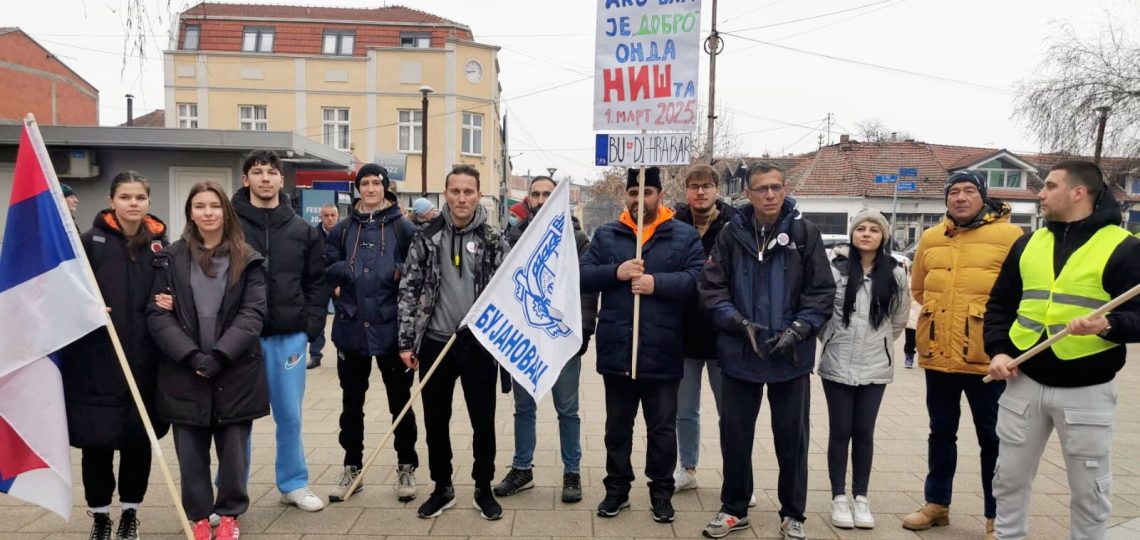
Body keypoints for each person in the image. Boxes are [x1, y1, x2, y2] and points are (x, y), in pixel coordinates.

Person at [985, 161, 1140, 539]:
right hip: (1024, 379)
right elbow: (1000, 305)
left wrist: (1108, 324)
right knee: (1008, 480)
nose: (1040, 193)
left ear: (1078, 192)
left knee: (1090, 490)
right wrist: (998, 351)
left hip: (1088, 387)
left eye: (1049, 186)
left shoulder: (1124, 248)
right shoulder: (1027, 242)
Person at [698, 162, 835, 539]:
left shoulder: (805, 234)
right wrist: (737, 323)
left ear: (784, 188)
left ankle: (794, 514)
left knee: (792, 440)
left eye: (776, 187)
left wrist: (800, 329)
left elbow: (822, 293)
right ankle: (734, 508)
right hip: (741, 355)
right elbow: (712, 289)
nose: (770, 195)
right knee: (736, 437)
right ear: (748, 193)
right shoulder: (730, 235)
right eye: (762, 189)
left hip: (789, 358)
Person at [580, 167, 704, 524]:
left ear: (659, 195)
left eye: (647, 192)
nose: (639, 199)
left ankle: (661, 492)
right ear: (626, 195)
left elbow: (698, 281)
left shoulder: (682, 235)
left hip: (662, 348)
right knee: (617, 427)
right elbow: (583, 275)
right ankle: (616, 490)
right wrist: (615, 273)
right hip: (618, 347)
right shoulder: (607, 234)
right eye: (634, 192)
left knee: (662, 429)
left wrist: (656, 283)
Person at [903, 170, 1023, 539]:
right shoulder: (931, 236)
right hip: (939, 353)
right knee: (941, 432)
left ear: (982, 197)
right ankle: (937, 504)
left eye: (969, 191)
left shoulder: (1011, 236)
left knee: (993, 437)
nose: (960, 198)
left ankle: (996, 515)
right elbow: (920, 288)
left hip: (987, 358)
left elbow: (1020, 292)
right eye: (954, 192)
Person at [147, 181, 268, 540]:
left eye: (214, 205)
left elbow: (253, 313)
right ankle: (200, 516)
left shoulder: (248, 258)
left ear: (225, 211)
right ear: (190, 213)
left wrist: (219, 355)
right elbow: (156, 315)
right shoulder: (168, 258)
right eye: (199, 206)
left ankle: (230, 513)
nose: (208, 212)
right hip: (184, 371)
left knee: (233, 453)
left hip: (234, 369)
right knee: (190, 453)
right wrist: (191, 355)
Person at [60, 172, 169, 540]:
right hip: (97, 363)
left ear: (149, 202)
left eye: (140, 197)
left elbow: (174, 292)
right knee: (98, 443)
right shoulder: (88, 243)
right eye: (125, 196)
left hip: (144, 362)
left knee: (139, 441)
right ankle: (101, 516)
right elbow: (66, 294)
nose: (133, 203)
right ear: (112, 200)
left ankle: (130, 514)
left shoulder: (161, 247)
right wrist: (86, 307)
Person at [397, 165, 508, 520]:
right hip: (434, 343)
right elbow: (409, 289)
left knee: (483, 420)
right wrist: (406, 342)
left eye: (468, 191)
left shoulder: (493, 239)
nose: (462, 198)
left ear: (478, 194)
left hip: (478, 345)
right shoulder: (426, 235)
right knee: (436, 420)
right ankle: (442, 486)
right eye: (455, 191)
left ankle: (483, 486)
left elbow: (506, 292)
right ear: (445, 194)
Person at [231, 150, 329, 512]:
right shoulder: (229, 225)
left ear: (281, 180)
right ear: (246, 180)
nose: (265, 178)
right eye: (257, 172)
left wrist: (310, 329)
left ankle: (293, 483)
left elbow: (317, 283)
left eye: (271, 172)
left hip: (288, 337)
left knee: (289, 414)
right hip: (240, 339)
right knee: (237, 419)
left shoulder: (301, 229)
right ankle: (229, 492)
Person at [493, 176, 598, 504]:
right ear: (529, 199)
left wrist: (583, 331)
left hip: (562, 338)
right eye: (535, 194)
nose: (540, 199)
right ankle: (522, 468)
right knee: (524, 407)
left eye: (547, 194)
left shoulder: (576, 238)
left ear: (558, 200)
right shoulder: (516, 236)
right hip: (527, 336)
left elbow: (585, 288)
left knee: (568, 408)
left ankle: (572, 471)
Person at [324, 164, 419, 503]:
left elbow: (417, 266)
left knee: (400, 403)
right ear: (357, 188)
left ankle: (406, 465)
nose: (369, 189)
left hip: (391, 328)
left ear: (385, 187)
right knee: (352, 404)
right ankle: (352, 467)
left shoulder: (403, 228)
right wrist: (345, 272)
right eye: (363, 183)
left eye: (375, 183)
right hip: (350, 327)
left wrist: (397, 270)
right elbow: (326, 264)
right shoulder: (344, 228)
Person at [817, 209, 910, 531]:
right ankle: (838, 497)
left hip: (875, 365)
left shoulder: (896, 274)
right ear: (852, 234)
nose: (866, 234)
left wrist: (880, 342)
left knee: (865, 432)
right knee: (840, 431)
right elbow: (821, 310)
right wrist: (830, 338)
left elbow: (898, 320)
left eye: (874, 229)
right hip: (837, 362)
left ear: (883, 236)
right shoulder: (835, 270)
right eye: (861, 229)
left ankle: (861, 497)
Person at [671, 163, 736, 493]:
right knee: (685, 411)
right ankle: (687, 468)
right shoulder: (674, 225)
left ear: (716, 190)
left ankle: (737, 476)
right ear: (687, 191)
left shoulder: (735, 224)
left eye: (706, 185)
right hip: (683, 334)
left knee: (731, 412)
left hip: (724, 334)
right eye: (694, 186)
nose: (700, 191)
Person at [308, 203, 340, 369]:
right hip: (319, 282)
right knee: (317, 316)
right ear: (320, 217)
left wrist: (341, 282)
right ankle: (315, 354)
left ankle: (343, 351)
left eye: (332, 215)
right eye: (326, 215)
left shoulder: (343, 233)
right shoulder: (312, 234)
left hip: (338, 282)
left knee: (343, 316)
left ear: (338, 216)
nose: (329, 218)